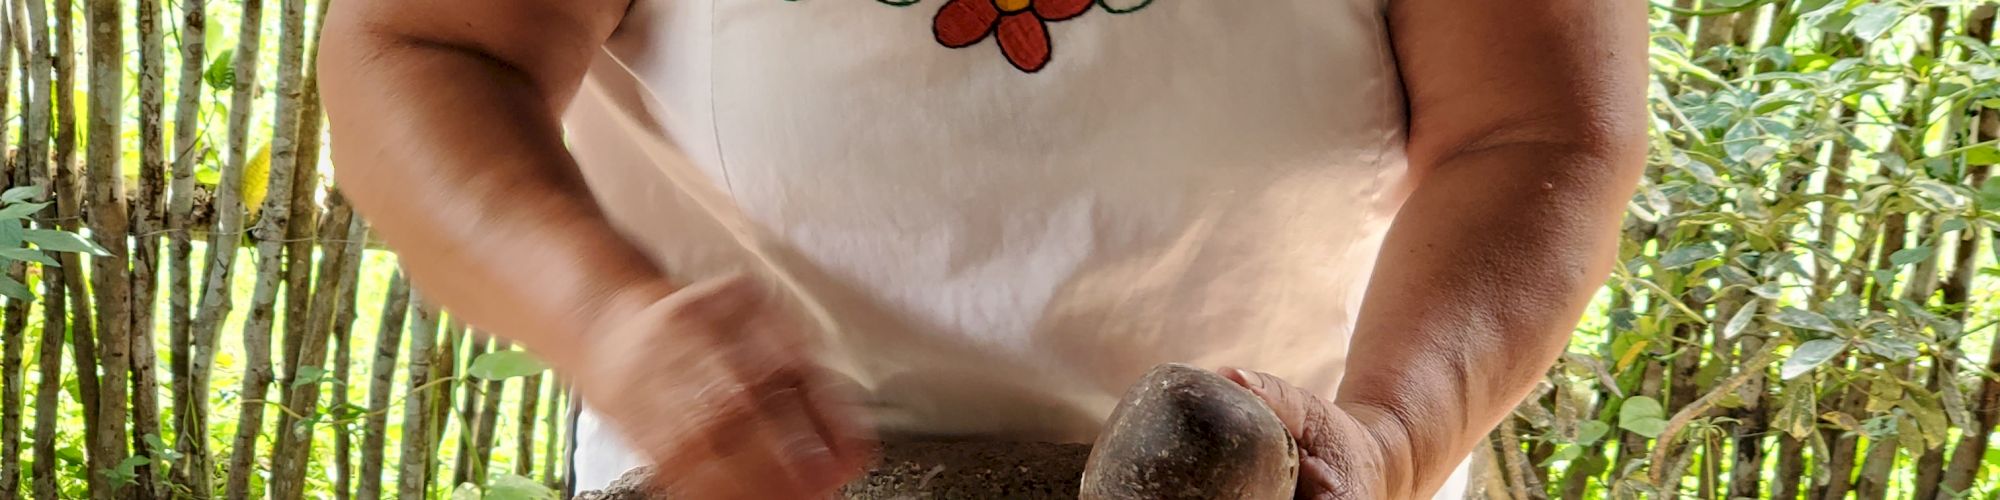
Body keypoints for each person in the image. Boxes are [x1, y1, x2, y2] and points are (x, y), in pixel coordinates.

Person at [320, 0, 1646, 496]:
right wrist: (607, 322)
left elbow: (1536, 129)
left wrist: (1389, 440)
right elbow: (428, 46)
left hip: (1267, 471)